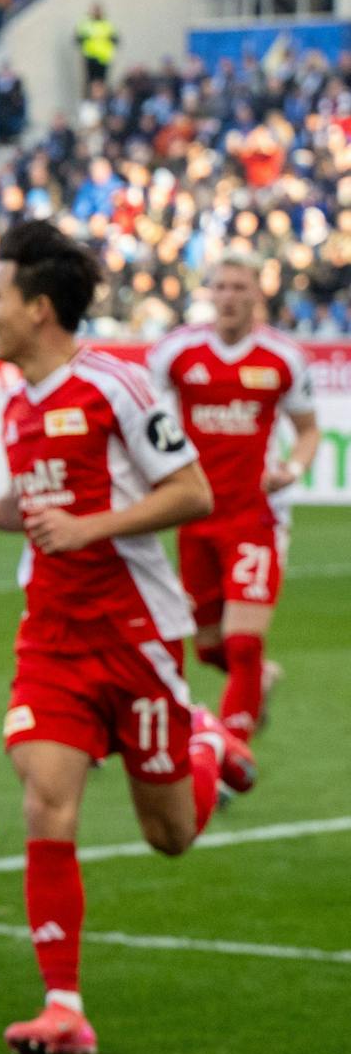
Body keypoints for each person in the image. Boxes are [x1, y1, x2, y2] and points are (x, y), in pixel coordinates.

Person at [0, 221, 256, 1054]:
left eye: (0, 298)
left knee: (171, 835)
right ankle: (64, 1006)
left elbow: (190, 493)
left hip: (136, 637)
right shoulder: (18, 406)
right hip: (53, 635)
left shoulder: (116, 387)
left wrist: (92, 528)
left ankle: (209, 737)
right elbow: (48, 518)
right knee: (47, 796)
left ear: (40, 308)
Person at [146, 254, 320, 742]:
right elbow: (147, 418)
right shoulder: (176, 352)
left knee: (243, 644)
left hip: (255, 516)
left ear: (255, 295)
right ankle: (258, 682)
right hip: (196, 512)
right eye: (219, 286)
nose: (227, 296)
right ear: (209, 293)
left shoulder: (282, 358)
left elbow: (308, 431)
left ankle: (228, 757)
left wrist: (293, 469)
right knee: (208, 647)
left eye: (239, 287)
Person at [75, 3, 118, 89]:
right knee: (90, 81)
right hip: (90, 57)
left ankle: (102, 99)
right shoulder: (85, 25)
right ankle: (90, 99)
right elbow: (78, 39)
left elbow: (116, 39)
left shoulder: (107, 25)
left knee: (102, 82)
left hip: (103, 58)